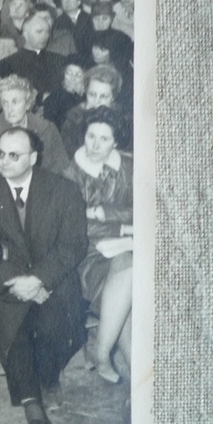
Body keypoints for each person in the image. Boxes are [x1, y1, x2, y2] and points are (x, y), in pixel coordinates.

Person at [0, 127, 88, 424]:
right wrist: (17, 281)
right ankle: (33, 405)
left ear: (33, 157)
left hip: (51, 280)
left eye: (14, 155)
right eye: (0, 154)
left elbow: (73, 245)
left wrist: (40, 279)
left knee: (59, 323)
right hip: (2, 282)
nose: (4, 162)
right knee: (11, 324)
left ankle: (46, 375)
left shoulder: (63, 190)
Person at [63, 107, 133, 384]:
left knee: (129, 271)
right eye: (91, 136)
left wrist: (105, 213)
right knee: (129, 290)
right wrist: (125, 223)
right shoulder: (70, 174)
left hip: (127, 244)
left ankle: (104, 355)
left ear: (116, 142)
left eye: (104, 139)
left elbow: (148, 207)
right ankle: (105, 354)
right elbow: (76, 225)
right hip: (88, 254)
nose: (95, 144)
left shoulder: (128, 167)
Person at [0, 74, 69, 175]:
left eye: (15, 102)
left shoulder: (47, 129)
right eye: (5, 103)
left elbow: (61, 169)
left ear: (28, 103)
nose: (9, 109)